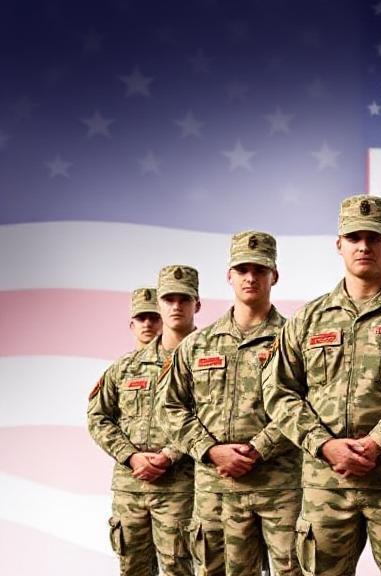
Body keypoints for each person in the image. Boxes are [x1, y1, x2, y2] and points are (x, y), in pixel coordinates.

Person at [262, 195, 381, 576]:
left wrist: (379, 442)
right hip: (326, 484)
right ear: (338, 245)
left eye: (374, 237)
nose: (364, 246)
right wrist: (324, 445)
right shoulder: (307, 319)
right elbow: (279, 392)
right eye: (354, 237)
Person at [160, 232, 300, 576]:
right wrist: (210, 450)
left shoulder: (294, 338)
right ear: (229, 275)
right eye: (242, 270)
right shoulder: (197, 345)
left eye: (259, 269)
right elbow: (171, 408)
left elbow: (308, 402)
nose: (250, 277)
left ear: (274, 276)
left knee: (292, 570)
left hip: (279, 487)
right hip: (216, 490)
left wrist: (258, 448)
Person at [87, 273, 200, 576]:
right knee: (133, 568)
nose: (149, 324)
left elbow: (212, 416)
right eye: (142, 317)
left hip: (180, 486)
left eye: (153, 317)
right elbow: (98, 416)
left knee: (182, 566)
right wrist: (130, 455)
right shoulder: (123, 368)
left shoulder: (200, 359)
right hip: (130, 489)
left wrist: (169, 455)